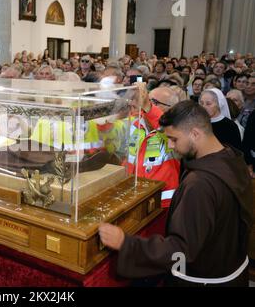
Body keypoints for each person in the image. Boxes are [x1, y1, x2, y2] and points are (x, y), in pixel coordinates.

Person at [99, 100, 253, 287]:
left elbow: (182, 251)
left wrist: (125, 243)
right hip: (230, 268)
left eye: (174, 139)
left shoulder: (200, 184)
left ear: (195, 133)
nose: (170, 146)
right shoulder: (231, 158)